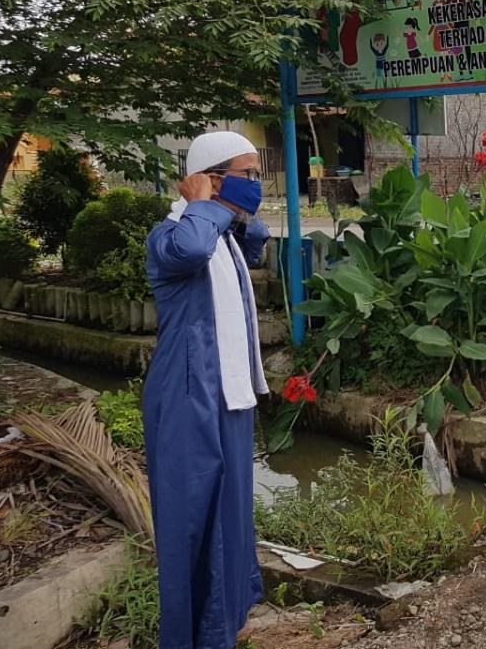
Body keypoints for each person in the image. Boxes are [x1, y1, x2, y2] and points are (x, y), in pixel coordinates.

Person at [144, 131, 272, 647]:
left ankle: (227, 626)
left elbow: (255, 245)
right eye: (248, 174)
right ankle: (192, 636)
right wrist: (202, 202)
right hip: (187, 400)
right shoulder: (172, 237)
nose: (256, 185)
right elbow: (193, 246)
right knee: (194, 522)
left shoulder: (220, 238)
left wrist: (236, 215)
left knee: (233, 517)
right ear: (210, 179)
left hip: (229, 397)